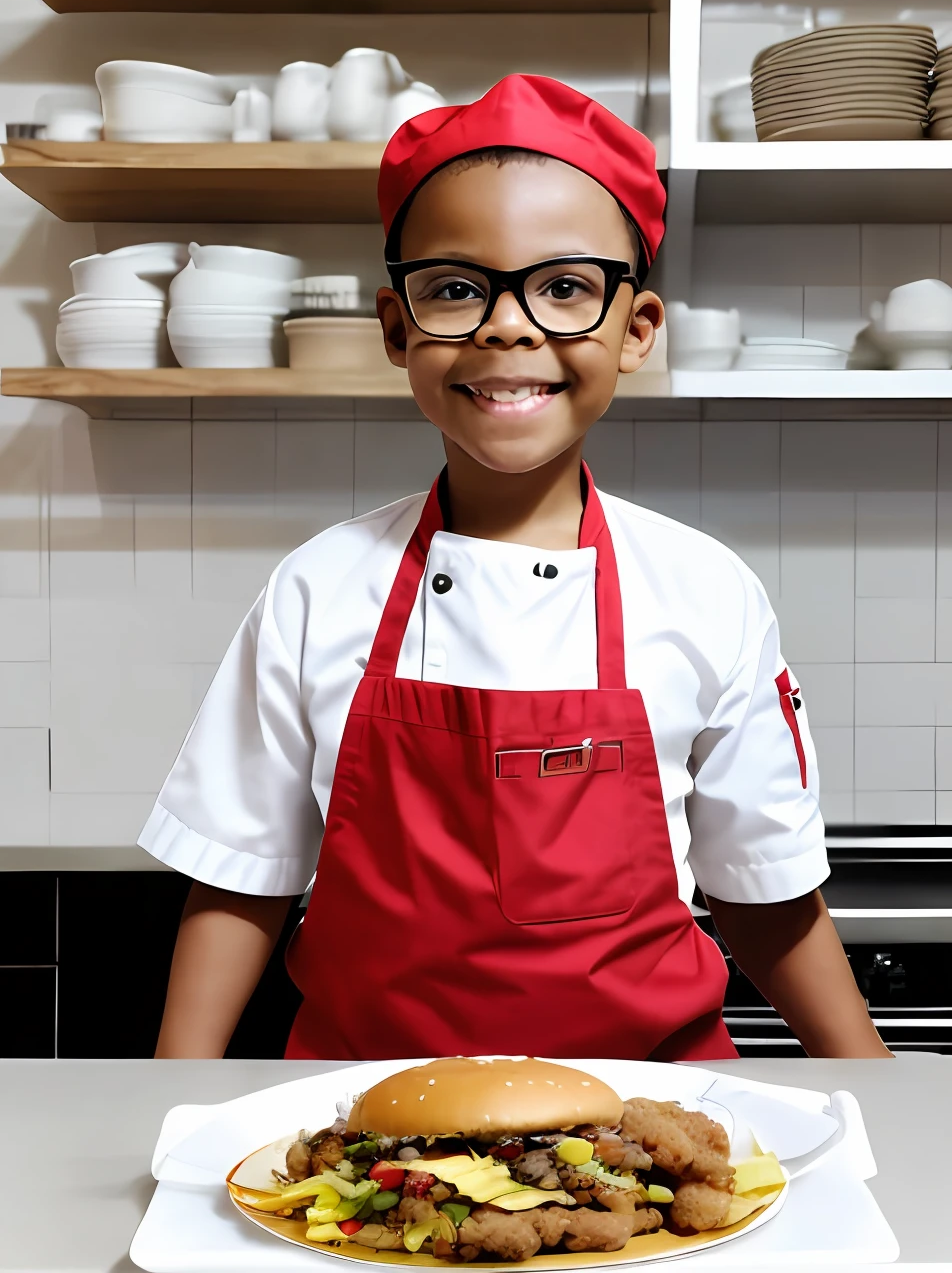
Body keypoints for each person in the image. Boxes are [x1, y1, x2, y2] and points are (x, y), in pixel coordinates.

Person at [144, 75, 890, 1061]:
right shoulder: (318, 590)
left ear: (636, 329)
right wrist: (169, 1102)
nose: (507, 324)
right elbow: (243, 877)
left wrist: (872, 1084)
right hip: (362, 1127)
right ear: (395, 327)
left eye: (565, 286)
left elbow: (766, 895)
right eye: (455, 287)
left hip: (648, 1134)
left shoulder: (705, 592)